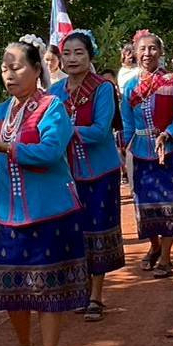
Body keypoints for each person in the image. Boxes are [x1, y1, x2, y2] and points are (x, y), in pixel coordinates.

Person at [0, 36, 89, 346]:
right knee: (13, 288)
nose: (9, 74)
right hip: (7, 215)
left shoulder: (54, 108)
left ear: (37, 70)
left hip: (50, 213)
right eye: (4, 68)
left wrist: (5, 147)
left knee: (49, 289)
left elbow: (51, 152)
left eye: (17, 66)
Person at [50, 30, 125, 322]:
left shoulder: (102, 88)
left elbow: (99, 130)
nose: (71, 59)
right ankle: (79, 289)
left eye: (78, 53)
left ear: (90, 56)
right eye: (66, 53)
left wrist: (63, 133)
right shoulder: (55, 91)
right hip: (66, 174)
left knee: (98, 230)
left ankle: (96, 294)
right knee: (73, 231)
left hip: (99, 173)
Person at [121, 30, 173, 277]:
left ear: (160, 53)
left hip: (169, 151)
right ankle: (154, 246)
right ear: (134, 52)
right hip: (141, 153)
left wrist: (168, 134)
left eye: (152, 48)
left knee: (170, 203)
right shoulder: (130, 87)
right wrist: (124, 152)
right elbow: (128, 126)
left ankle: (166, 258)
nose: (147, 53)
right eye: (142, 49)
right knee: (146, 204)